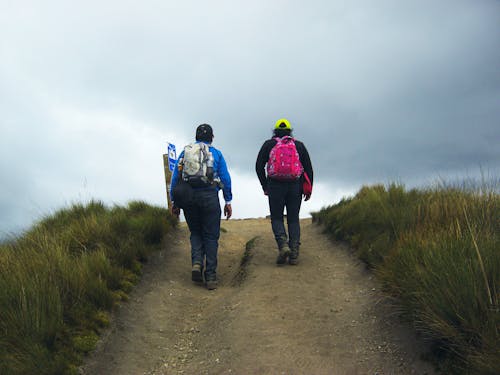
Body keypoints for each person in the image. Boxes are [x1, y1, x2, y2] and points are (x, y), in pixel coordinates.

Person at [170, 124, 232, 290]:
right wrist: (228, 201)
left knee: (196, 232)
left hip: (189, 198)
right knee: (211, 236)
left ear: (196, 136)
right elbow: (225, 179)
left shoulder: (185, 152)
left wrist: (174, 202)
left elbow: (175, 178)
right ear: (212, 137)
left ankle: (197, 263)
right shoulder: (216, 154)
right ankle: (210, 276)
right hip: (210, 197)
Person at [255, 118, 313, 265]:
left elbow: (258, 166)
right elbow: (309, 168)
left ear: (275, 131)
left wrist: (265, 185)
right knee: (293, 219)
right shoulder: (299, 146)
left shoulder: (269, 144)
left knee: (277, 218)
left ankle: (283, 245)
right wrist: (308, 188)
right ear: (290, 132)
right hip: (295, 186)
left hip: (275, 186)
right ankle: (294, 253)